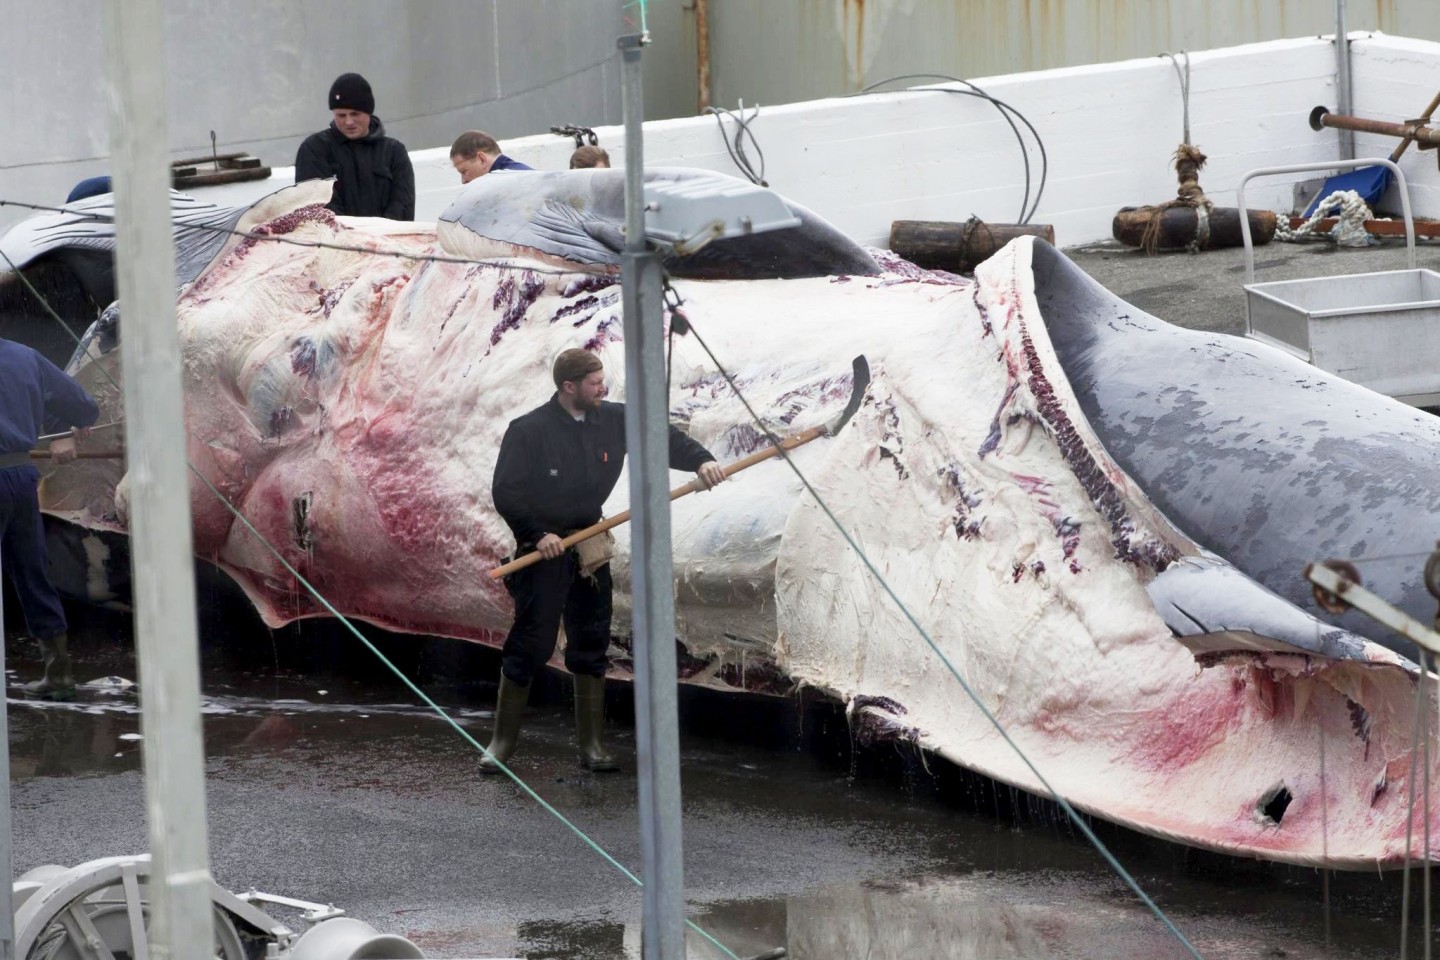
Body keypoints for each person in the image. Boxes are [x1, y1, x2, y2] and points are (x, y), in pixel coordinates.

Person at [487, 349, 726, 773]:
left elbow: (662, 437)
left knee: (591, 639)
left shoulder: (613, 420)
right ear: (569, 387)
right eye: (595, 383)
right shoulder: (528, 431)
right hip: (541, 549)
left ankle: (591, 746)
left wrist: (701, 460)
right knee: (531, 643)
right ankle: (501, 744)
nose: (604, 388)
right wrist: (536, 534)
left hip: (590, 545)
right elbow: (506, 490)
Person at [0, 337, 100, 700]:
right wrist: (66, 429)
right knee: (32, 573)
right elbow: (83, 405)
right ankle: (58, 674)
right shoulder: (25, 356)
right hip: (20, 478)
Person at [294, 72, 415, 220]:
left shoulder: (394, 152)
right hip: (336, 241)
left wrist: (379, 236)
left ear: (369, 112)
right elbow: (316, 207)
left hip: (386, 240)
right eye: (341, 115)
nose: (349, 122)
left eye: (355, 114)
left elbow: (403, 204)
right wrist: (352, 236)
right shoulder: (314, 150)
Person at [450, 130, 533, 184]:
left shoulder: (505, 185)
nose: (464, 181)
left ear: (482, 159)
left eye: (464, 171)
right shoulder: (524, 175)